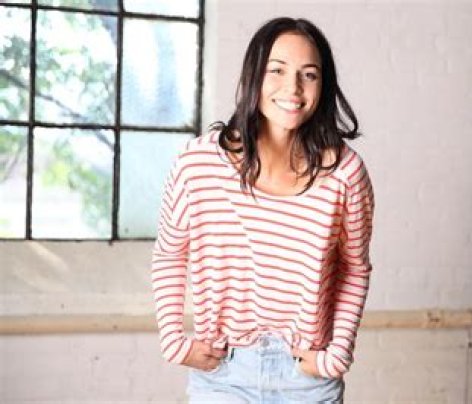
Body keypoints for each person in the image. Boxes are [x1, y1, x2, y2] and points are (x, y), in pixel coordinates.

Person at [150, 17, 374, 403]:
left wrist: (338, 353)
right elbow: (169, 254)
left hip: (307, 380)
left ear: (323, 85)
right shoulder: (197, 163)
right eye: (277, 70)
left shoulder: (345, 173)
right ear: (253, 75)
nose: (293, 88)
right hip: (222, 375)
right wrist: (173, 341)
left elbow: (354, 267)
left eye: (309, 75)